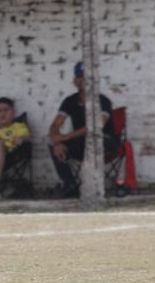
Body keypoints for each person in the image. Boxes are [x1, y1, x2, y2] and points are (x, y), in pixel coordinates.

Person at [50, 61, 118, 198]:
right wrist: (57, 142)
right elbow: (55, 125)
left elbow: (97, 126)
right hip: (81, 142)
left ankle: (94, 189)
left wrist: (66, 137)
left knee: (91, 138)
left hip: (105, 141)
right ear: (75, 80)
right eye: (81, 76)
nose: (84, 80)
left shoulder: (103, 100)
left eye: (88, 77)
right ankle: (70, 184)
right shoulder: (70, 101)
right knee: (53, 145)